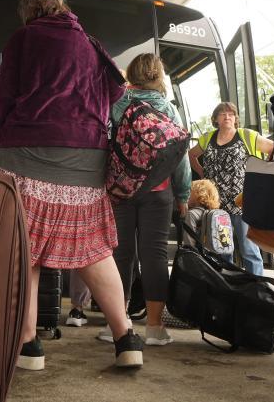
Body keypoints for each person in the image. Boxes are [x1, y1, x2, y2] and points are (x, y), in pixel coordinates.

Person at [0, 0, 144, 370]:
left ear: (30, 10)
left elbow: (2, 102)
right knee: (94, 250)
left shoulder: (24, 39)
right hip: (86, 157)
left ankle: (29, 344)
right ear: (60, 4)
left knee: (26, 249)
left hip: (28, 152)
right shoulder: (91, 43)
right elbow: (117, 93)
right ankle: (126, 338)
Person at [102, 53, 191, 346]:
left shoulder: (116, 104)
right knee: (154, 256)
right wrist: (183, 194)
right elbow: (181, 158)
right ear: (158, 76)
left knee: (120, 255)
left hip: (121, 191)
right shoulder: (168, 108)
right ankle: (154, 327)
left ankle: (116, 323)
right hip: (157, 191)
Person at [188, 102, 273, 275]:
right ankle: (227, 288)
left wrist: (262, 174)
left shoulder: (247, 136)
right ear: (215, 119)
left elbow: (273, 148)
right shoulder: (208, 138)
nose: (227, 116)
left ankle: (256, 289)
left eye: (231, 114)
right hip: (216, 206)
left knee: (249, 250)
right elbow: (191, 154)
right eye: (222, 114)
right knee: (221, 250)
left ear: (235, 118)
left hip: (242, 202)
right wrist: (202, 172)